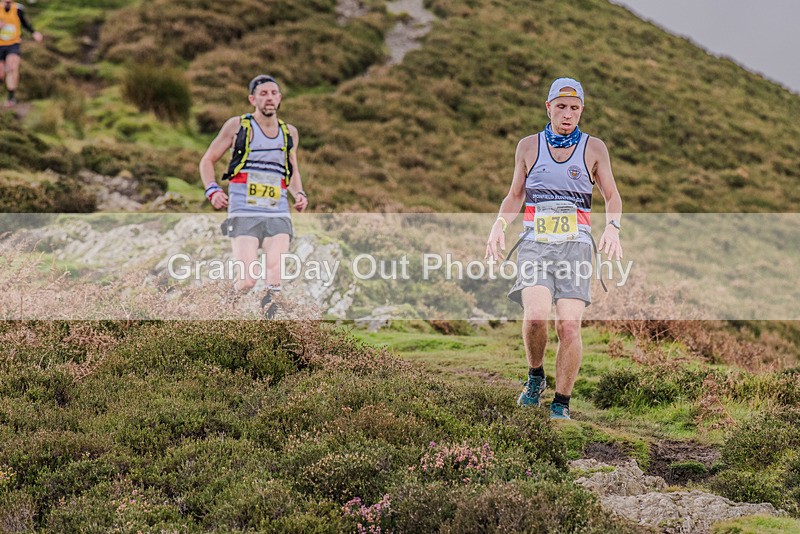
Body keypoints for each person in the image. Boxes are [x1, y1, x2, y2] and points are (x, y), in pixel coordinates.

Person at [486, 77, 622, 420]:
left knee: (569, 327)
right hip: (535, 244)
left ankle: (562, 402)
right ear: (548, 107)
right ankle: (535, 377)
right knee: (535, 317)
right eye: (561, 107)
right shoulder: (528, 147)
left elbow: (612, 196)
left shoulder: (594, 149)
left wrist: (613, 227)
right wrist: (498, 226)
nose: (567, 115)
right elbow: (515, 194)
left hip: (575, 248)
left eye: (575, 109)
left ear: (581, 111)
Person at [199, 74, 308, 318]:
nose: (269, 98)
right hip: (244, 211)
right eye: (263, 94)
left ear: (279, 98)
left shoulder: (289, 132)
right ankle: (222, 312)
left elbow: (290, 171)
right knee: (247, 281)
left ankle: (270, 336)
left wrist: (298, 193)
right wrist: (212, 190)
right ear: (253, 99)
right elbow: (207, 160)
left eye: (273, 93)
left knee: (274, 280)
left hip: (277, 211)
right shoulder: (238, 126)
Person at [0, 0, 42, 106]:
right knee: (1, 73)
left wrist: (34, 32)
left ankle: (10, 98)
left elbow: (25, 23)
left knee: (12, 68)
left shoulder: (18, 9)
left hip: (13, 44)